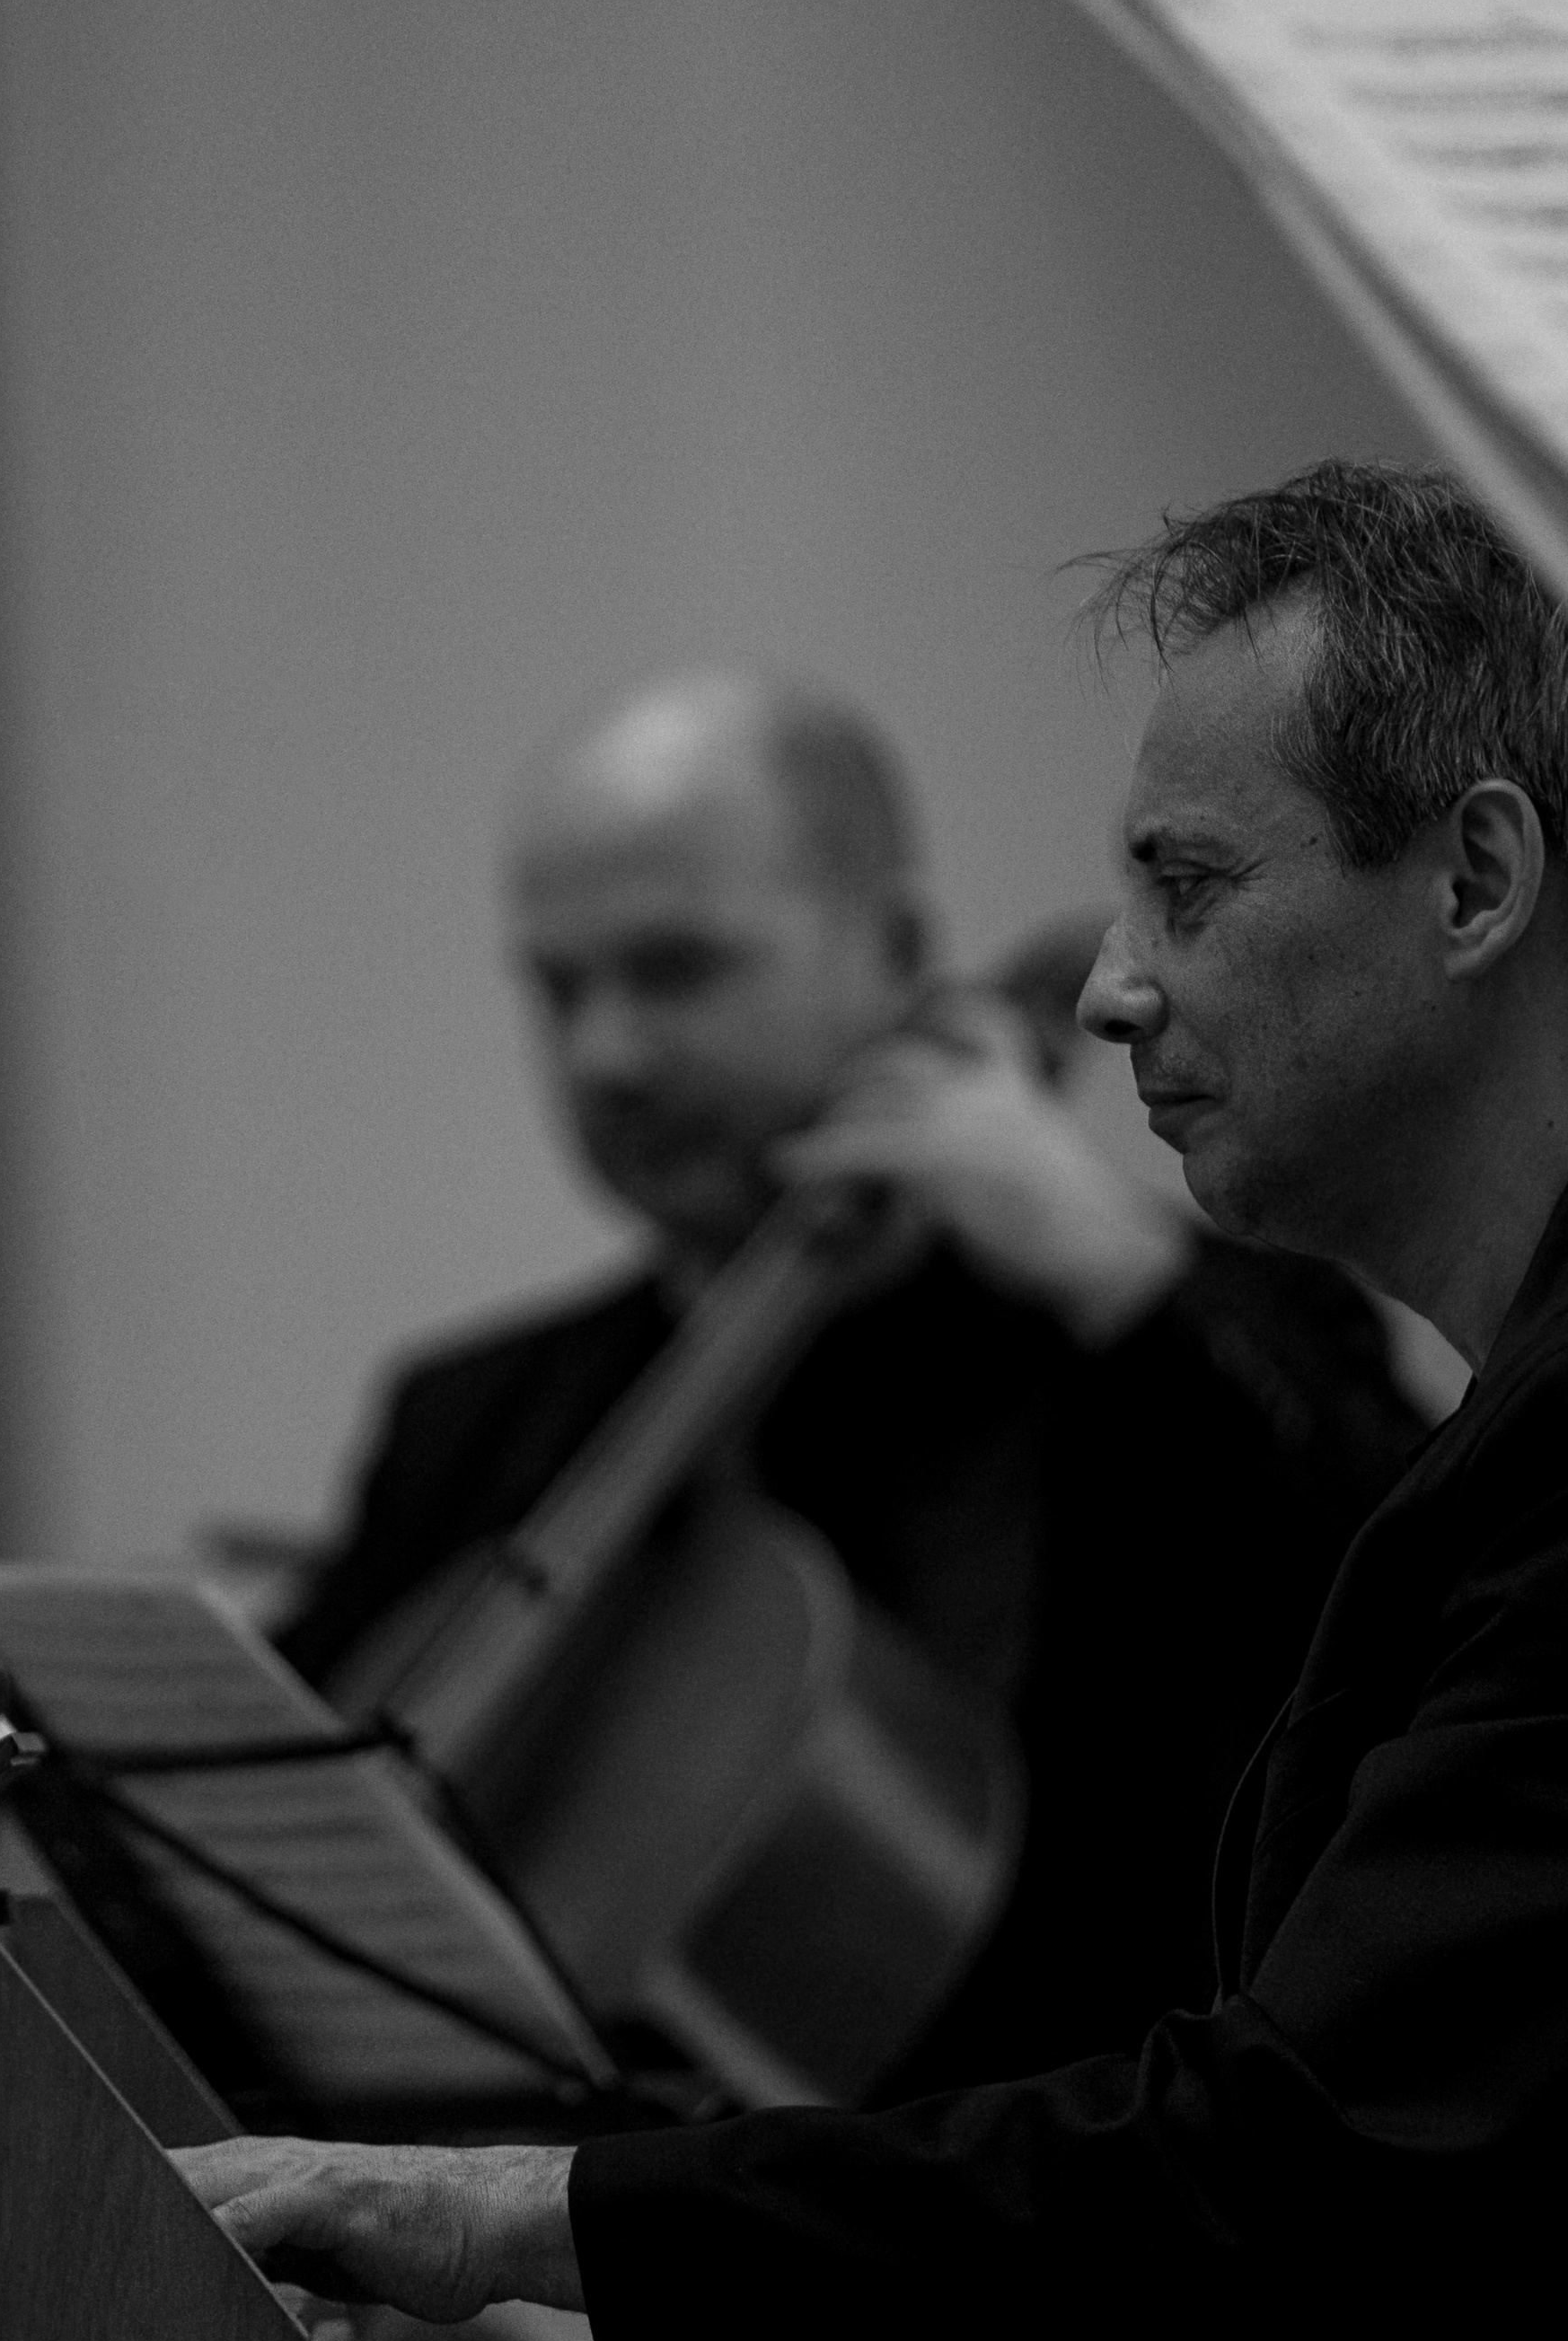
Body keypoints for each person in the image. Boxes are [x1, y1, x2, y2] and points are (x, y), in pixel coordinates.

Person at [157, 465, 1568, 2341]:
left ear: (1476, 887)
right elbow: (1474, 2192)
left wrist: (497, 2213)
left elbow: (1317, 2162)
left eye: (1190, 887)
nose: (1101, 993)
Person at [273, 666, 1423, 2085]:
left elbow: (1426, 1612)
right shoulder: (473, 1418)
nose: (605, 1053)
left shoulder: (1166, 1334)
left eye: (675, 970)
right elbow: (258, 1864)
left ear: (893, 949)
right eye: (559, 989)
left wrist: (1118, 1275)